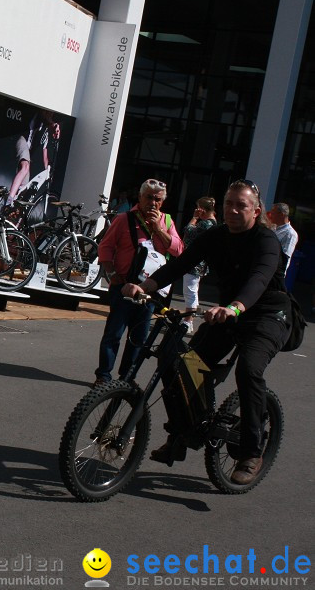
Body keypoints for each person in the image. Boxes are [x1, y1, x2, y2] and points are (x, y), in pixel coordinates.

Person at [122, 179, 291, 485]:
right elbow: (181, 263)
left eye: (241, 205)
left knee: (249, 369)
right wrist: (144, 286)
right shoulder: (216, 236)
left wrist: (235, 307)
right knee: (183, 363)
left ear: (256, 210)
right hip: (228, 313)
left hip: (267, 315)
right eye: (229, 203)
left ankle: (251, 453)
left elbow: (259, 279)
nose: (233, 210)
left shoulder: (266, 241)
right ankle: (182, 433)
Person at [93, 179, 183, 388]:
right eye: (149, 198)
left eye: (158, 199)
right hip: (123, 286)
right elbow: (105, 247)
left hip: (150, 290)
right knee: (114, 333)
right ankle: (103, 376)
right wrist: (112, 272)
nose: (153, 203)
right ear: (140, 198)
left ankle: (126, 379)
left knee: (138, 337)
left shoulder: (168, 222)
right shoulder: (125, 219)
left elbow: (179, 250)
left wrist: (158, 230)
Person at [180, 197, 217, 333]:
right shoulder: (213, 223)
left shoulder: (205, 224)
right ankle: (189, 319)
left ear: (202, 209)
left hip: (194, 263)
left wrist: (194, 218)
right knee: (193, 291)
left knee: (189, 291)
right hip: (200, 263)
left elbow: (188, 231)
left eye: (197, 207)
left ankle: (188, 320)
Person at [7, 110, 60, 203]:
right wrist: (54, 125)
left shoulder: (46, 135)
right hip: (23, 140)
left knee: (24, 188)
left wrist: (48, 173)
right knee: (25, 167)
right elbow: (45, 117)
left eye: (52, 114)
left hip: (28, 151)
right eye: (50, 113)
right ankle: (9, 198)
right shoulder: (40, 118)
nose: (50, 115)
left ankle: (11, 207)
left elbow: (45, 157)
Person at [266, 202, 298, 274]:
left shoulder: (290, 234)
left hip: (274, 273)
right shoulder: (272, 228)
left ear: (281, 215)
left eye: (273, 213)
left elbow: (285, 258)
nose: (270, 215)